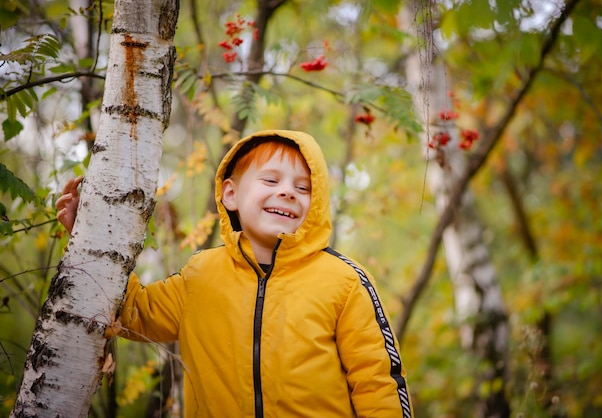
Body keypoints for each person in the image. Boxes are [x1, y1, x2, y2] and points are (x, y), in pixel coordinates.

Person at [56, 129, 413, 417]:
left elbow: (378, 382)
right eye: (271, 181)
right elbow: (135, 313)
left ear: (315, 204)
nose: (288, 192)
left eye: (303, 187)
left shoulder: (344, 280)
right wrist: (88, 236)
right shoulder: (202, 274)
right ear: (231, 194)